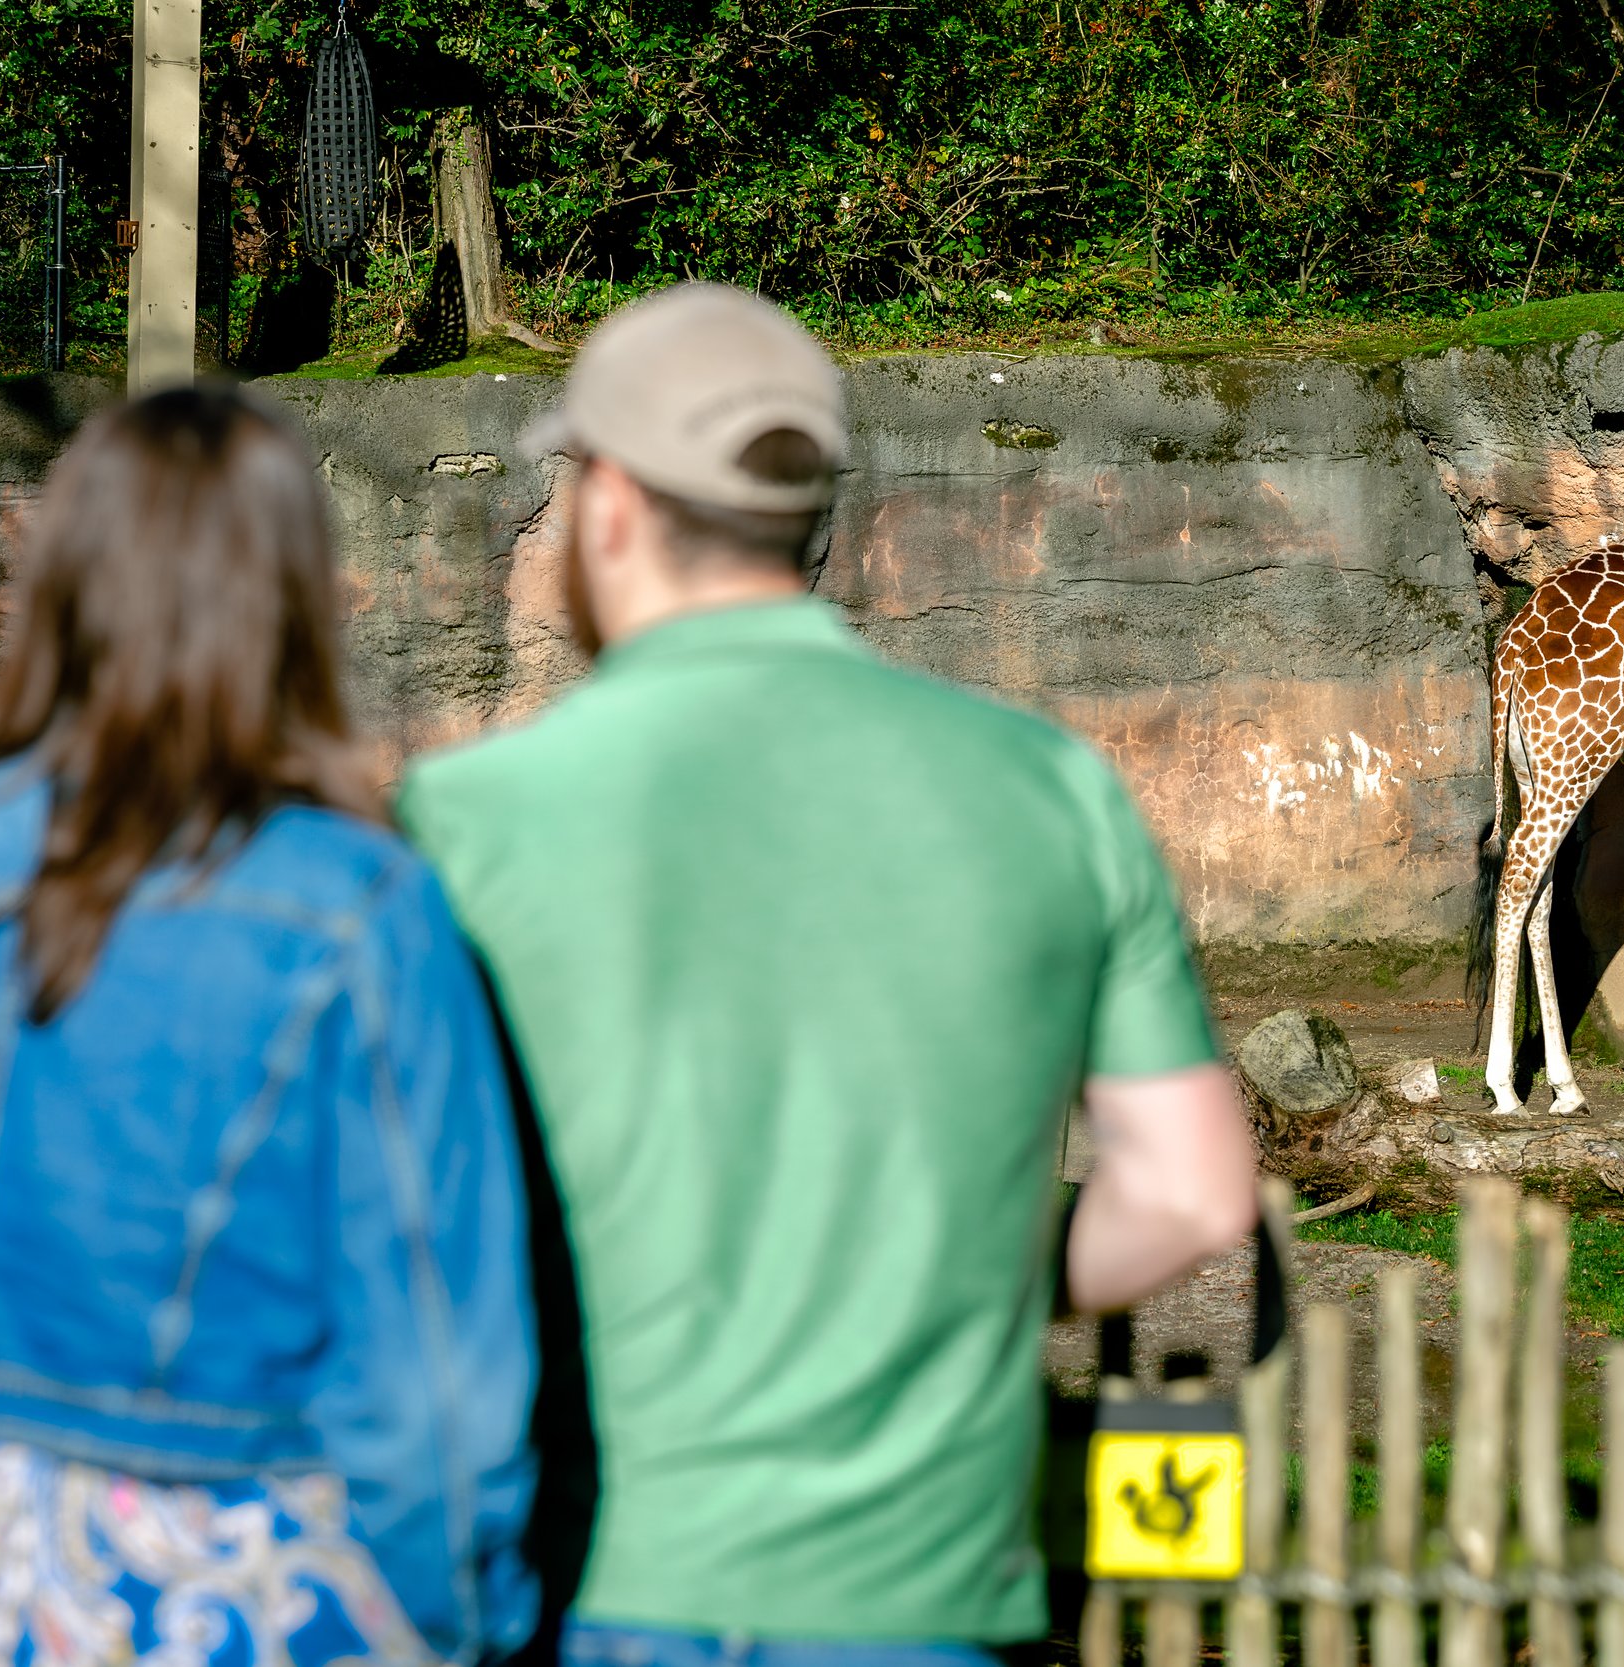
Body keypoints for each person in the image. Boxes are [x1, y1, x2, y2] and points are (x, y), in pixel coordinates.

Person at [399, 283, 1259, 1663]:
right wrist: (956, 1266)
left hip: (595, 1576)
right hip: (922, 1592)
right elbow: (1191, 1192)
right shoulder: (1049, 790)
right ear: (809, 517)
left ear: (608, 505)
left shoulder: (464, 819)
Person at [0, 386, 538, 1667]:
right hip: (248, 1568)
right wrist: (459, 1610)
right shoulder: (359, 907)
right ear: (291, 601)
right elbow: (434, 1337)